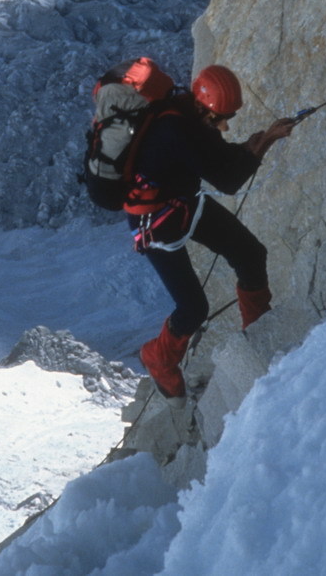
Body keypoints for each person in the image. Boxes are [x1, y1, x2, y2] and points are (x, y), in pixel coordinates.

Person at [125, 63, 294, 400]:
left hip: (182, 202)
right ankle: (158, 358)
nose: (225, 125)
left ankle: (259, 330)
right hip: (156, 222)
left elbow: (216, 155)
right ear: (203, 107)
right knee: (193, 309)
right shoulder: (177, 132)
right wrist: (266, 143)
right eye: (221, 118)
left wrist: (251, 145)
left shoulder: (189, 115)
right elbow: (229, 180)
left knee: (250, 253)